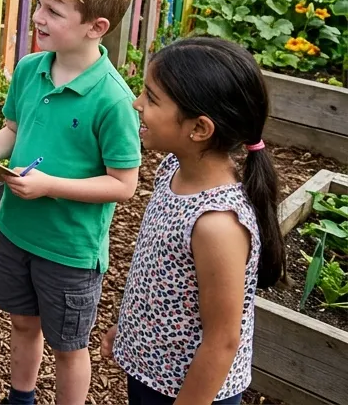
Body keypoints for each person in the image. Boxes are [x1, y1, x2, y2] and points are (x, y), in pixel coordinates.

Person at [0, 0, 141, 405]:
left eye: (53, 11)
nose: (38, 18)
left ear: (96, 27)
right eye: (39, 5)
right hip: (17, 230)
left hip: (69, 249)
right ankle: (20, 397)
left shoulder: (112, 100)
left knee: (68, 347)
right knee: (22, 323)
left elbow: (124, 185)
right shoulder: (30, 69)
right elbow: (13, 130)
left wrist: (49, 186)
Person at [103, 37, 283, 405]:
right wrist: (130, 334)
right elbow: (162, 281)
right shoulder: (174, 168)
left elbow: (222, 341)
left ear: (200, 129)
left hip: (191, 392)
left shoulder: (217, 223)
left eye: (151, 98)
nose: (137, 104)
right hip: (152, 371)